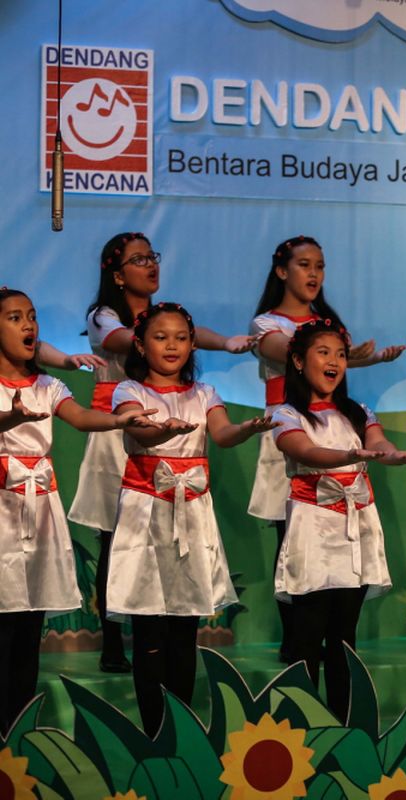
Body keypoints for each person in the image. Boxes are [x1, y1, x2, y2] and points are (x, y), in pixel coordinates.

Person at [68, 232, 253, 672]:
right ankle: (114, 639)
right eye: (138, 259)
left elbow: (177, 331)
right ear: (116, 272)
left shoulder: (182, 359)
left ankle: (170, 627)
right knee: (118, 535)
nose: (150, 265)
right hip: (120, 427)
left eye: (152, 256)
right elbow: (119, 341)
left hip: (169, 427)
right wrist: (166, 328)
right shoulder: (104, 315)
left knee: (167, 534)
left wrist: (223, 341)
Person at [106, 303, 272, 735]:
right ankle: (153, 729)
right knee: (149, 627)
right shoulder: (129, 392)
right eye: (161, 337)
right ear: (141, 344)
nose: (172, 345)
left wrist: (249, 428)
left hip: (193, 515)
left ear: (193, 343)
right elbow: (138, 432)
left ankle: (182, 726)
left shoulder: (205, 394)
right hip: (147, 514)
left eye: (181, 337)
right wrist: (164, 431)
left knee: (184, 626)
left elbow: (221, 433)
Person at [0, 288, 155, 734]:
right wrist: (9, 420)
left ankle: (21, 725)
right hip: (5, 504)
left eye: (31, 316)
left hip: (39, 508)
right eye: (14, 317)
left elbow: (83, 417)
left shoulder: (47, 386)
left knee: (29, 620)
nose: (28, 325)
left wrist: (120, 420)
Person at [248, 235, 403, 663]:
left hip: (332, 429)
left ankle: (330, 641)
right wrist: (347, 354)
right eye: (304, 265)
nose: (314, 273)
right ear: (282, 271)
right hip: (290, 426)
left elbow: (331, 362)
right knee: (292, 532)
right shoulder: (267, 323)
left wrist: (361, 359)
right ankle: (296, 635)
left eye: (320, 265)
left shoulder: (330, 327)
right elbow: (285, 350)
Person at [271, 318, 406, 721]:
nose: (334, 360)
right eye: (324, 352)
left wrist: (396, 455)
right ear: (299, 362)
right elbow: (305, 451)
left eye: (340, 354)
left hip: (354, 528)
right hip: (313, 529)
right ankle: (298, 725)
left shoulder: (358, 412)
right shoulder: (288, 414)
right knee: (307, 634)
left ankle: (342, 723)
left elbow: (379, 445)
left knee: (344, 636)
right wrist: (348, 458)